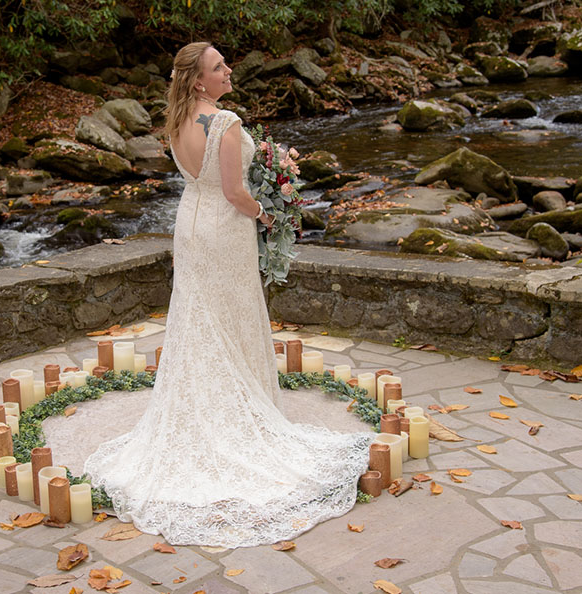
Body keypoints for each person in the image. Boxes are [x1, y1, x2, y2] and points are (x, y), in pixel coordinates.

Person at [83, 42, 372, 548]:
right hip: (224, 228)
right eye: (219, 67)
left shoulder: (176, 122)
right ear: (199, 80)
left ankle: (198, 407)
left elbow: (200, 179)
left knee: (197, 315)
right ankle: (241, 408)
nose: (229, 69)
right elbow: (238, 194)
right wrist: (270, 214)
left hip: (190, 227)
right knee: (232, 312)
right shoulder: (227, 122)